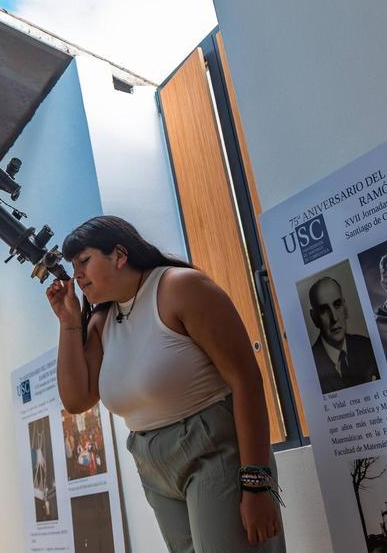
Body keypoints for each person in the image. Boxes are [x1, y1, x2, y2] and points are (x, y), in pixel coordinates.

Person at [46, 215, 284, 551]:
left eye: (84, 261)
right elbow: (76, 400)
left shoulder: (180, 287)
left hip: (212, 448)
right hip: (151, 463)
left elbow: (246, 380)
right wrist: (69, 323)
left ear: (119, 255)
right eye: (74, 266)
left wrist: (256, 483)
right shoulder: (103, 320)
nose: (77, 275)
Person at [306, 276, 379, 393]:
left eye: (337, 305)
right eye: (324, 310)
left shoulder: (367, 347)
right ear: (314, 317)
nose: (334, 318)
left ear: (345, 307)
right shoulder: (309, 366)